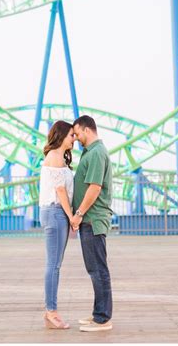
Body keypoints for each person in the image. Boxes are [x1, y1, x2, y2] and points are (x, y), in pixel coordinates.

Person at [71, 115, 113, 332]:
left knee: (98, 270)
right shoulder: (91, 153)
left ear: (87, 130)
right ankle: (99, 313)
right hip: (89, 219)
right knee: (94, 269)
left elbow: (95, 187)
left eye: (77, 134)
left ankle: (103, 319)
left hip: (92, 219)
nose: (76, 138)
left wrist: (78, 213)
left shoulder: (96, 153)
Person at [39, 120, 75, 329]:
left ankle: (50, 310)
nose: (74, 139)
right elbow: (60, 190)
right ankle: (51, 311)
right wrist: (71, 217)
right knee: (53, 265)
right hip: (55, 212)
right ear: (61, 136)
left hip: (55, 212)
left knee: (55, 264)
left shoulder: (57, 156)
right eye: (71, 135)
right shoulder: (54, 157)